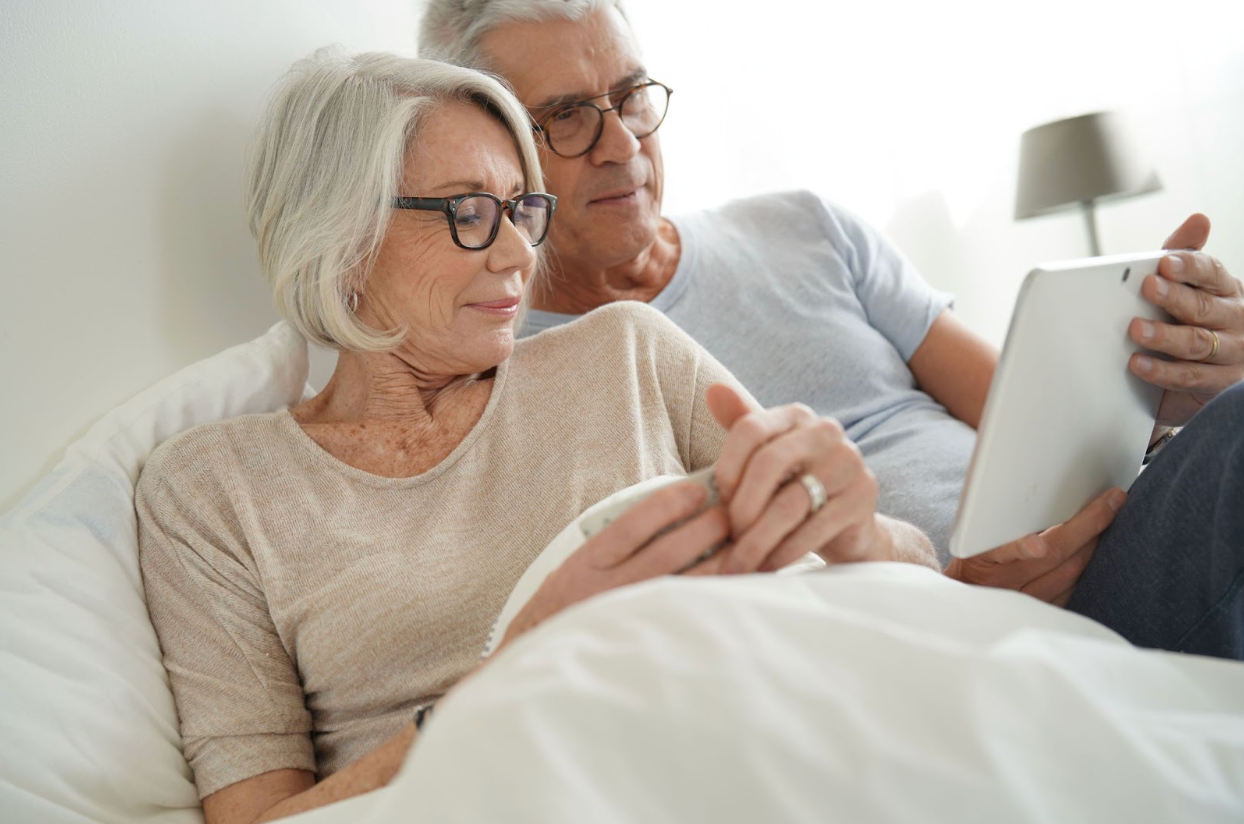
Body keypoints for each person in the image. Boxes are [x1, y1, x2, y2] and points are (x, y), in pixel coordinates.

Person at [136, 49, 940, 824]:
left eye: (522, 208)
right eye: (470, 213)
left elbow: (911, 570)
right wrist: (516, 668)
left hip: (779, 729)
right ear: (342, 241)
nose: (522, 252)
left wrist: (861, 529)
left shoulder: (626, 350)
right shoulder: (213, 490)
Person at [416, 0, 1244, 633]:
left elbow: (1020, 403)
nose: (625, 144)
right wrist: (950, 589)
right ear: (485, 148)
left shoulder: (804, 223)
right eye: (565, 116)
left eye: (631, 96)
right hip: (936, 629)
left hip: (1113, 532)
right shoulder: (503, 379)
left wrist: (1159, 387)